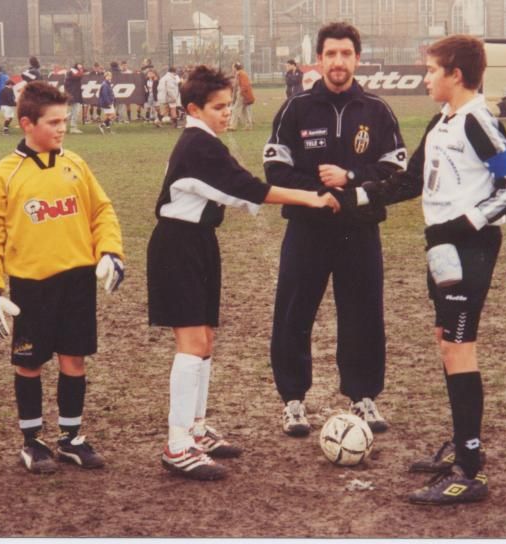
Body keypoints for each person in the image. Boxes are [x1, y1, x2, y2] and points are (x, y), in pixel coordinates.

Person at [342, 34, 506, 505]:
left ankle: (470, 471)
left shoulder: (478, 122)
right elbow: (410, 180)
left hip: (469, 248)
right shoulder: (443, 120)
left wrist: (465, 224)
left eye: (430, 70)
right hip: (441, 247)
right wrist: (355, 196)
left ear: (455, 74)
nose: (425, 78)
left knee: (460, 348)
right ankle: (462, 448)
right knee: (447, 342)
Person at [147, 65, 340, 481]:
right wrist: (313, 197)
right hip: (177, 246)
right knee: (191, 343)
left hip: (199, 242)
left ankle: (196, 430)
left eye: (228, 105)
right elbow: (252, 189)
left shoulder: (206, 141)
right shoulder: (198, 144)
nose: (226, 113)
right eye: (218, 107)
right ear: (194, 109)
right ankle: (177, 444)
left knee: (205, 340)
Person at [0, 81, 124, 475]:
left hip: (77, 281)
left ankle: (71, 438)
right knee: (30, 362)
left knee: (74, 359)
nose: (62, 128)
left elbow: (101, 211)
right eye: (53, 122)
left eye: (64, 120)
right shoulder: (4, 174)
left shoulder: (75, 164)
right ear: (27, 123)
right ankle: (32, 440)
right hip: (31, 286)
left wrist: (110, 251)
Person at [262, 22, 408, 438]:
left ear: (357, 59)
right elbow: (275, 168)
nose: (338, 62)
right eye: (330, 54)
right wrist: (319, 193)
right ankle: (293, 400)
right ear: (319, 59)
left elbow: (396, 169)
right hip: (306, 229)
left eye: (346, 54)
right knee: (294, 313)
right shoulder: (296, 109)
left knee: (363, 314)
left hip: (359, 231)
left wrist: (350, 177)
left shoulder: (376, 110)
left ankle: (363, 395)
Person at [228, 63, 254, 130]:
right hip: (245, 93)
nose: (232, 69)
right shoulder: (243, 73)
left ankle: (232, 126)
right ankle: (248, 125)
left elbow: (241, 85)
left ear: (235, 68)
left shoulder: (239, 73)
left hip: (242, 94)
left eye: (233, 67)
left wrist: (240, 93)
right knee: (244, 110)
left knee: (235, 109)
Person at [65, 62, 85, 134]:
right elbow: (79, 75)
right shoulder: (72, 72)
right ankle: (73, 127)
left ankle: (63, 119)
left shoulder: (72, 72)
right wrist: (81, 69)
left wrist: (82, 69)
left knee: (75, 110)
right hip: (73, 94)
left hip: (75, 94)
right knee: (76, 111)